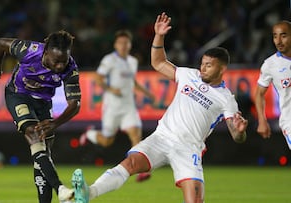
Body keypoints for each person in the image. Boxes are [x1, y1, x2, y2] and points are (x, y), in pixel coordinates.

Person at [70, 12, 248, 203]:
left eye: (209, 65)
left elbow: (236, 136)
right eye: (203, 63)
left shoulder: (226, 98)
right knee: (129, 163)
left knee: (195, 200)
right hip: (162, 137)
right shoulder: (189, 75)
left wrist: (240, 131)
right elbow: (158, 62)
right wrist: (159, 35)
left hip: (188, 149)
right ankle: (89, 193)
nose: (203, 68)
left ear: (222, 69)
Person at [0, 30, 80, 203]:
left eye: (64, 61)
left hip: (43, 103)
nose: (60, 66)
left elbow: (75, 105)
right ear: (46, 52)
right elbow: (0, 43)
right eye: (56, 61)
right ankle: (60, 188)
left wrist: (55, 123)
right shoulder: (29, 50)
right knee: (34, 135)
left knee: (43, 154)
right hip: (18, 95)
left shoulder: (70, 68)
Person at [78, 29, 155, 182]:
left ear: (130, 44)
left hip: (128, 106)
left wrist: (147, 93)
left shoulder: (133, 61)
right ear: (115, 45)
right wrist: (111, 89)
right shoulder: (109, 60)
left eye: (126, 42)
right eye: (120, 43)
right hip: (112, 106)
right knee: (107, 141)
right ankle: (89, 134)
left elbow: (132, 82)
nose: (123, 45)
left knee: (135, 134)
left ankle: (140, 170)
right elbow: (98, 78)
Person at [255, 20, 291, 149]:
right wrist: (262, 120)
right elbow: (259, 94)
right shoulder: (270, 65)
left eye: (283, 35)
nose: (278, 41)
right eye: (275, 36)